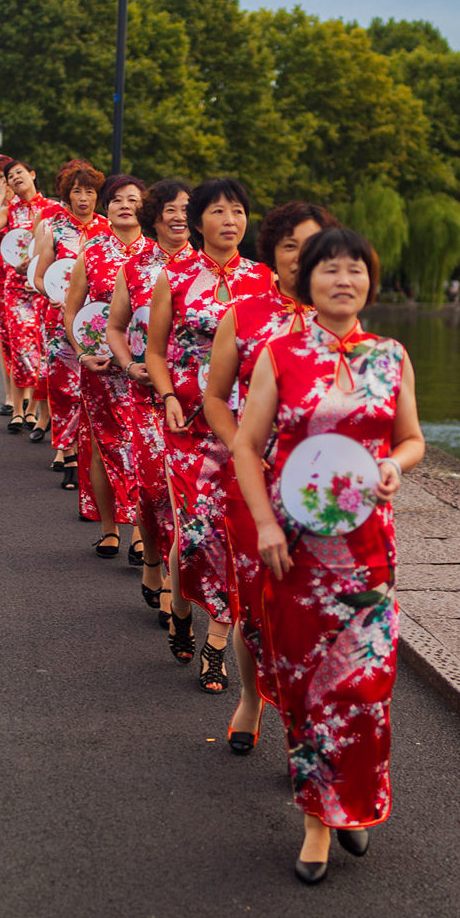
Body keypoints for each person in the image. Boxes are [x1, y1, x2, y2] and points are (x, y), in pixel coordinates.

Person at [230, 226, 424, 884]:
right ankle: (318, 818)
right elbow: (248, 446)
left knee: (367, 688)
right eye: (329, 269)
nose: (344, 280)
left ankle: (355, 803)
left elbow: (412, 438)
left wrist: (395, 465)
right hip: (296, 551)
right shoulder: (280, 354)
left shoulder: (389, 357)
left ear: (371, 280)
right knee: (308, 686)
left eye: (355, 270)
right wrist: (265, 525)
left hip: (368, 550)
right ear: (305, 279)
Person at [203, 201, 333, 751]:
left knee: (313, 610)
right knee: (256, 602)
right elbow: (214, 396)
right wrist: (242, 450)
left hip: (321, 488)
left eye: (314, 249)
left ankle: (303, 729)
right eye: (289, 247)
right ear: (272, 256)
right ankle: (253, 698)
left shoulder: (343, 321)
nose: (302, 260)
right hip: (254, 483)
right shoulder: (245, 313)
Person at [145, 177, 270, 693]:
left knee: (235, 537)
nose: (230, 221)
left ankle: (215, 646)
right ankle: (180, 604)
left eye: (238, 211)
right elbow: (154, 350)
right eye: (218, 211)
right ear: (198, 222)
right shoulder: (173, 276)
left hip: (249, 429)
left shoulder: (264, 281)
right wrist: (169, 396)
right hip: (188, 424)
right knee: (195, 535)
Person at [105, 178, 193, 646]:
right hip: (142, 396)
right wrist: (126, 364)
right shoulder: (134, 268)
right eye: (171, 209)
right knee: (154, 488)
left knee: (188, 501)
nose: (179, 216)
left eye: (187, 209)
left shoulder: (208, 272)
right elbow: (116, 328)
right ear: (154, 216)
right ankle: (154, 562)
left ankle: (178, 590)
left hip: (198, 400)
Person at [65, 175, 151, 568]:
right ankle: (109, 527)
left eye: (133, 200)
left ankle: (139, 532)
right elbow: (72, 311)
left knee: (140, 446)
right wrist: (83, 352)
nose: (124, 206)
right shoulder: (92, 251)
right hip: (101, 366)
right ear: (107, 207)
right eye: (117, 199)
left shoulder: (156, 256)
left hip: (145, 369)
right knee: (102, 446)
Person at [29, 160, 107, 462]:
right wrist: (52, 295)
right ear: (67, 194)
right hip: (60, 315)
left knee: (91, 385)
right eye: (77, 191)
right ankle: (66, 447)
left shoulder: (107, 230)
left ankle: (86, 445)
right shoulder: (55, 229)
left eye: (89, 191)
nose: (84, 198)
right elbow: (38, 276)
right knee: (63, 385)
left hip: (97, 319)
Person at [0, 159, 48, 435]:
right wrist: (3, 198)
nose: (13, 178)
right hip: (12, 283)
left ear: (32, 174)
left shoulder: (51, 208)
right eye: (7, 176)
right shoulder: (10, 207)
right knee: (16, 342)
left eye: (19, 173)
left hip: (40, 285)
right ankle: (18, 406)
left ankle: (33, 408)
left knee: (40, 344)